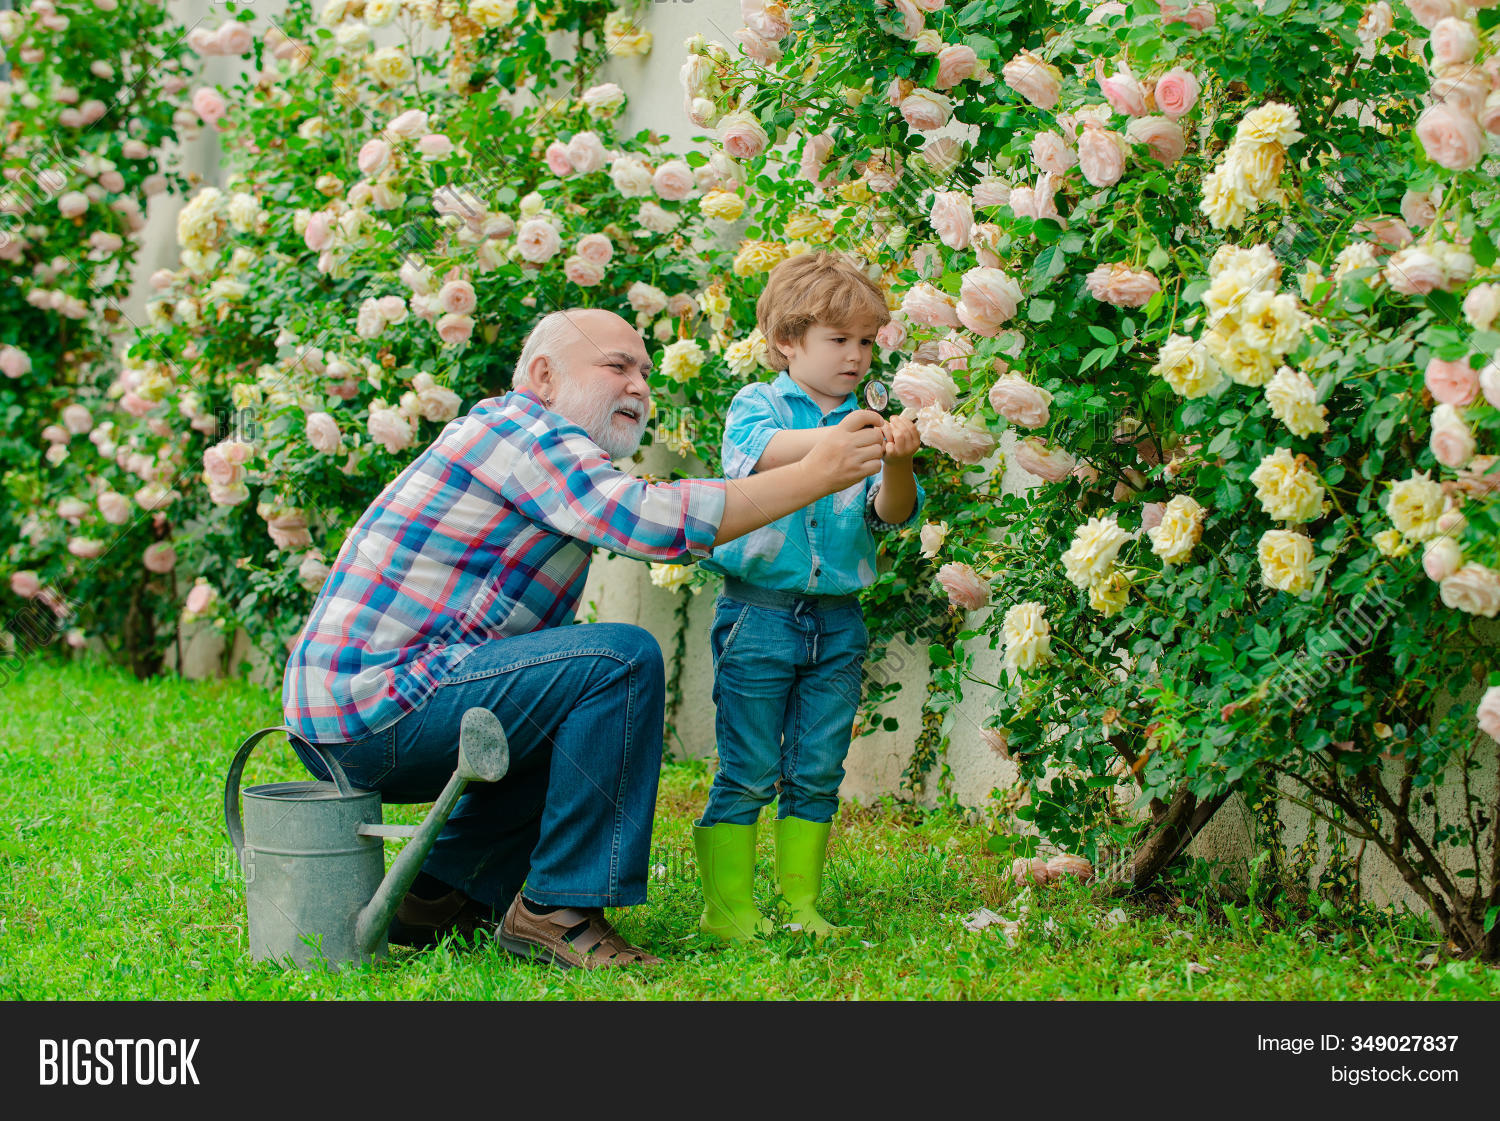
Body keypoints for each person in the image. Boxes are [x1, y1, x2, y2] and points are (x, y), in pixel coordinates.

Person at [280, 307, 889, 969]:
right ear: (544, 376)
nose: (639, 386)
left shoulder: (535, 443)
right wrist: (818, 474)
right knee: (616, 662)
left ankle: (442, 894)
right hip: (378, 707)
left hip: (372, 710)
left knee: (572, 695)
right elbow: (648, 519)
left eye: (646, 373)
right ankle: (558, 908)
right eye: (617, 366)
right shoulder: (522, 432)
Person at [694, 252, 923, 941]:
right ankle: (727, 908)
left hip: (838, 620)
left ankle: (801, 903)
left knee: (819, 766)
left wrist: (898, 461)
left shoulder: (869, 419)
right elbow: (755, 456)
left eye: (866, 342)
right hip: (758, 612)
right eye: (839, 339)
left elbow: (892, 513)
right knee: (748, 766)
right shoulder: (758, 406)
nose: (856, 356)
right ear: (787, 341)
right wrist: (838, 439)